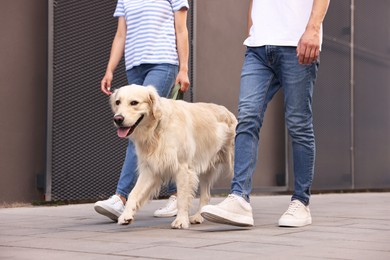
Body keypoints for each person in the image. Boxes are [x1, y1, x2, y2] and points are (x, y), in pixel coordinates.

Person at [200, 0, 330, 227]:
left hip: (297, 43)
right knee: (247, 118)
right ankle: (239, 198)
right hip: (259, 48)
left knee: (298, 123)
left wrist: (313, 28)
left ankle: (301, 202)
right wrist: (254, 32)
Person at [94, 0, 190, 222]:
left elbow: (181, 28)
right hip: (134, 66)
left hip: (163, 63)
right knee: (154, 131)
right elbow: (121, 34)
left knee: (135, 130)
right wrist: (110, 69)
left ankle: (122, 197)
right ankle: (177, 193)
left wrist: (183, 68)